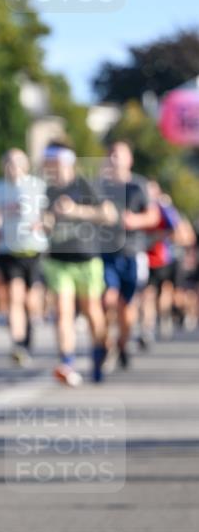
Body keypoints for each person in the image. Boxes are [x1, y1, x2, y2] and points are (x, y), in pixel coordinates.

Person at [41, 143, 117, 386]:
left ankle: (100, 351)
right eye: (48, 164)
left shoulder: (85, 185)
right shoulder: (47, 190)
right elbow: (45, 221)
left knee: (92, 312)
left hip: (86, 258)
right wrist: (44, 224)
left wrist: (76, 211)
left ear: (67, 162)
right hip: (58, 259)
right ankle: (67, 363)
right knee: (63, 312)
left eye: (54, 163)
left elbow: (109, 215)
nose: (51, 168)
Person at [98, 141, 157, 369]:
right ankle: (106, 345)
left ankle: (122, 343)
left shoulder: (139, 185)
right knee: (108, 299)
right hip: (106, 253)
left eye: (119, 155)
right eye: (111, 154)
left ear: (129, 160)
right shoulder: (101, 186)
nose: (114, 159)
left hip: (132, 252)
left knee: (126, 307)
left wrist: (134, 220)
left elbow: (153, 216)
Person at [0, 149, 48, 366]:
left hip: (33, 249)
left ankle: (28, 333)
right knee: (14, 297)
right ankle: (18, 343)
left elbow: (47, 214)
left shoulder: (37, 186)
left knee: (30, 301)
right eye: (8, 163)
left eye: (16, 163)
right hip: (8, 249)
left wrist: (43, 223)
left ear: (25, 165)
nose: (12, 168)